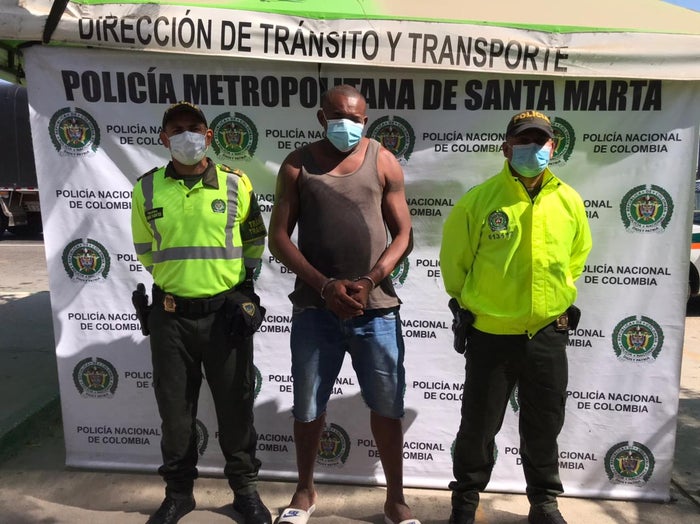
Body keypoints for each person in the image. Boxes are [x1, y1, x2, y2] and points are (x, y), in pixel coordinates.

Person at [268, 85, 419, 524]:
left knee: (387, 407)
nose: (346, 125)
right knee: (307, 407)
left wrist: (370, 281)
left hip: (377, 310)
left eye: (355, 118)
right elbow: (279, 238)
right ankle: (304, 491)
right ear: (321, 117)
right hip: (315, 310)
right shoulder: (297, 165)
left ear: (365, 121)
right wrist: (324, 286)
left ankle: (395, 500)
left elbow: (404, 235)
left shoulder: (382, 160)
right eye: (337, 116)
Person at [439, 110, 593, 524]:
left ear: (552, 147)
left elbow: (576, 258)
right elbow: (455, 266)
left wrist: (549, 301)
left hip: (547, 333)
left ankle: (544, 504)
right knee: (478, 426)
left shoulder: (569, 200)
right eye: (523, 141)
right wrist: (476, 305)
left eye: (540, 141)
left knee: (545, 424)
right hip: (491, 335)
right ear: (506, 148)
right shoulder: (479, 200)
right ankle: (465, 501)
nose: (532, 149)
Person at [131, 101, 272, 524]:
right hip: (170, 318)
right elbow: (145, 250)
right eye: (176, 129)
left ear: (209, 136)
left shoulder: (236, 183)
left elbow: (254, 240)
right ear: (163, 138)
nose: (186, 136)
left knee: (236, 408)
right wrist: (182, 282)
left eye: (194, 128)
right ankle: (178, 494)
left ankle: (245, 491)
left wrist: (242, 290)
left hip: (224, 317)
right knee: (175, 414)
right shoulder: (147, 189)